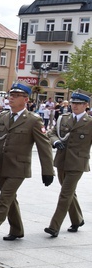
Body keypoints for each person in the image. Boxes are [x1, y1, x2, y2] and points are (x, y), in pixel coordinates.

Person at [0, 82, 54, 244]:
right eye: (10, 95)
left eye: (16, 95)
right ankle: (17, 230)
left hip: (19, 168)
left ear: (25, 99)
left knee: (4, 199)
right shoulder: (3, 117)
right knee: (10, 199)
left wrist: (48, 171)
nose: (11, 98)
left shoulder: (34, 120)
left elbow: (44, 146)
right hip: (1, 166)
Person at [45, 90, 92, 237]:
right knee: (70, 192)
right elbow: (51, 133)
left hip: (78, 163)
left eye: (78, 104)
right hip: (61, 161)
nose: (75, 106)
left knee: (65, 194)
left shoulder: (89, 123)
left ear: (86, 106)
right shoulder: (63, 119)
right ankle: (77, 220)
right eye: (73, 103)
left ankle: (54, 226)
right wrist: (56, 141)